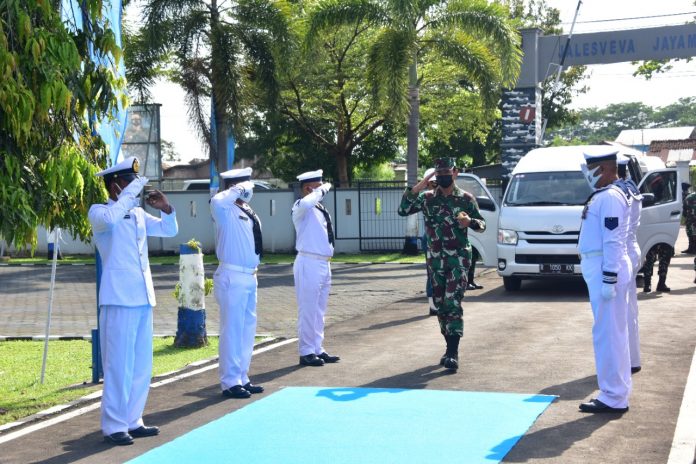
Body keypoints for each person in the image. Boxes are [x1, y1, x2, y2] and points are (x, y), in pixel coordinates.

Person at [89, 157, 178, 445]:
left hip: (142, 296)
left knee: (141, 365)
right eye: (129, 182)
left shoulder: (138, 214)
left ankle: (132, 419)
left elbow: (169, 230)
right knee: (118, 365)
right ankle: (114, 425)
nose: (135, 190)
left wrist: (166, 209)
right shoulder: (100, 212)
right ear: (115, 185)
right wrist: (129, 194)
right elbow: (113, 218)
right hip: (118, 299)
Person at [398, 158, 486, 371]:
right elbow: (403, 210)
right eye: (439, 173)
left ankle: (453, 352)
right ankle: (448, 348)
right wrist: (418, 186)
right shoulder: (427, 198)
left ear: (455, 172)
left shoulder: (466, 199)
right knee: (440, 305)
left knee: (452, 302)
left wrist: (470, 222)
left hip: (458, 260)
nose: (443, 176)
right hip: (436, 260)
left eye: (447, 171)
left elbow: (482, 224)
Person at [577, 149, 632, 413]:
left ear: (607, 169)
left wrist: (609, 278)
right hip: (599, 267)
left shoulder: (610, 197)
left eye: (594, 169)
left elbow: (613, 240)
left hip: (604, 269)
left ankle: (613, 396)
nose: (589, 175)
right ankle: (617, 391)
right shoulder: (604, 195)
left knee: (608, 335)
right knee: (610, 333)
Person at [211, 167, 265, 398]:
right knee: (232, 330)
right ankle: (230, 381)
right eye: (245, 185)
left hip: (250, 276)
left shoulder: (247, 209)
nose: (249, 189)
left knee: (246, 330)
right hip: (232, 276)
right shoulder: (224, 209)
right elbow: (217, 200)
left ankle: (242, 376)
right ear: (235, 186)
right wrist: (237, 189)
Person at [292, 169, 340, 367]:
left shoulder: (318, 208)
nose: (323, 190)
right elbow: (305, 202)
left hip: (323, 263)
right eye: (318, 186)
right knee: (308, 309)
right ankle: (306, 351)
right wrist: (320, 191)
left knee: (319, 310)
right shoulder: (300, 206)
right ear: (308, 188)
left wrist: (318, 193)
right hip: (308, 262)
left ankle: (317, 348)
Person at [617, 155, 643, 374]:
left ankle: (624, 361)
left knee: (620, 313)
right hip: (632, 248)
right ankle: (633, 359)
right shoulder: (632, 188)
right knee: (630, 310)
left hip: (623, 250)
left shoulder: (619, 193)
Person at [641, 176, 674, 293]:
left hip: (665, 231)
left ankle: (661, 283)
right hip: (653, 232)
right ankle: (647, 284)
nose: (660, 187)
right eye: (658, 184)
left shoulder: (669, 197)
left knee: (665, 258)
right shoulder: (649, 198)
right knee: (650, 258)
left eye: (661, 184)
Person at [420, 168, 438, 316]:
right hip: (431, 239)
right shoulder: (425, 196)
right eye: (432, 183)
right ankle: (433, 306)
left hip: (444, 240)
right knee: (432, 274)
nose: (435, 185)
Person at [682, 182, 696, 254]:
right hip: (691, 218)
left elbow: (684, 209)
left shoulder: (689, 197)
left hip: (690, 218)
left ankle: (691, 248)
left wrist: (687, 216)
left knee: (690, 233)